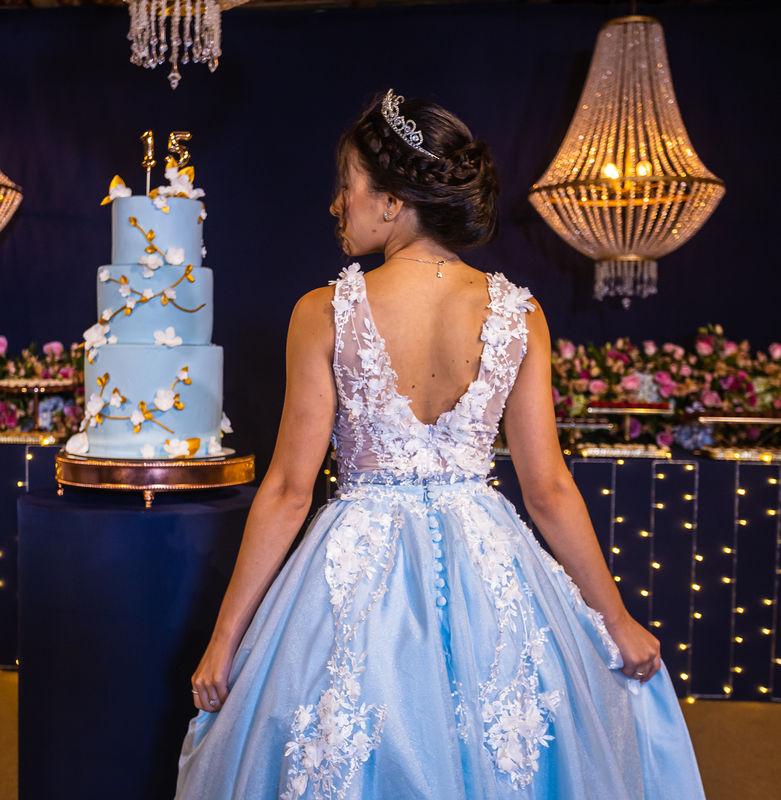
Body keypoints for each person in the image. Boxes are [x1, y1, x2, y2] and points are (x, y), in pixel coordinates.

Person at [175, 90, 707, 799]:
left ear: (393, 200)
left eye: (347, 185)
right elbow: (547, 490)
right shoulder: (520, 313)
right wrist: (617, 621)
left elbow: (288, 490)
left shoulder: (323, 311)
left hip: (352, 566)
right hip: (489, 558)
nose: (337, 204)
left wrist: (225, 638)